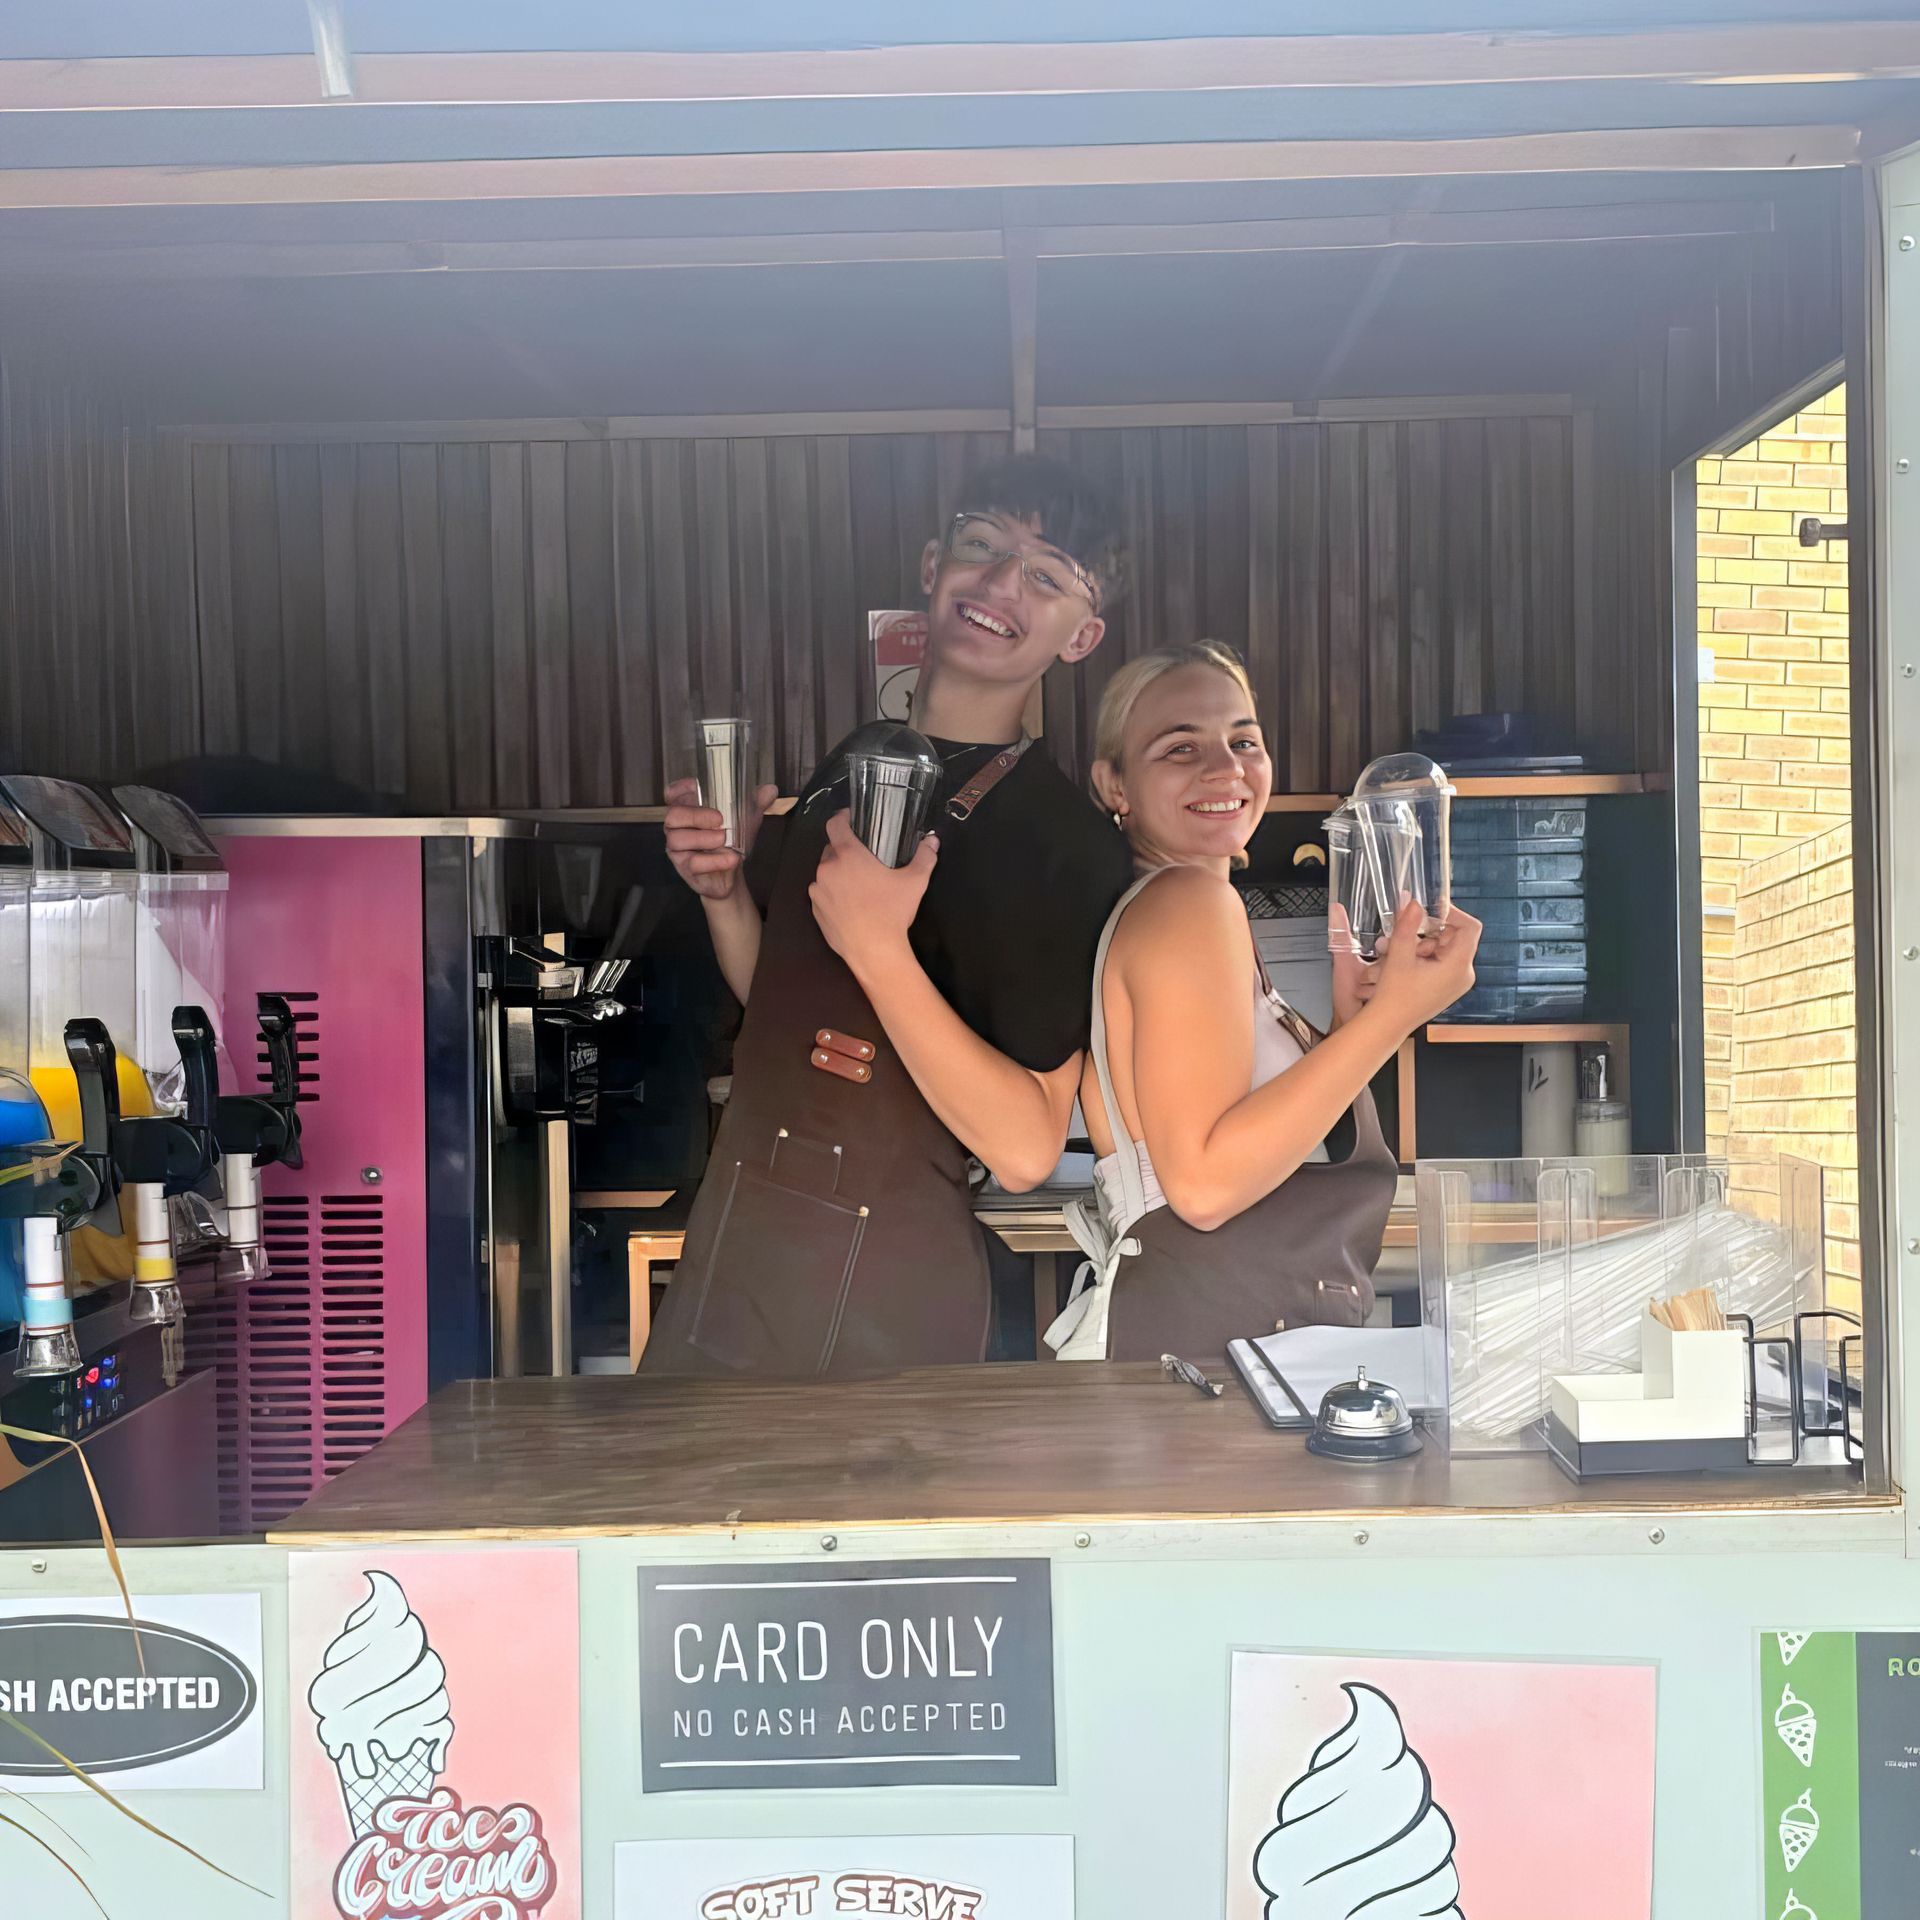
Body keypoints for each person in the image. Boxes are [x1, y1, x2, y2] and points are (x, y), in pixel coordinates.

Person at [641, 456, 1135, 1376]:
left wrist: (879, 950)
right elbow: (781, 997)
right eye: (982, 544)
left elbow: (1025, 1147)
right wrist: (724, 893)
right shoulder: (859, 758)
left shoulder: (1065, 843)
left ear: (1082, 635)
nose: (1001, 582)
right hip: (739, 1239)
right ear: (932, 566)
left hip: (884, 1290)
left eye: (1046, 575)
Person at [1045, 642, 1483, 1364]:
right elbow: (1203, 1186)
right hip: (1203, 1371)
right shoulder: (1190, 904)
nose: (1226, 769)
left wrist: (1350, 1024)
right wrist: (1390, 1020)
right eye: (1180, 748)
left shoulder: (1171, 908)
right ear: (1114, 784)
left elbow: (1252, 1140)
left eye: (1243, 741)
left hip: (1193, 1353)